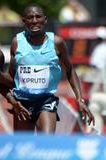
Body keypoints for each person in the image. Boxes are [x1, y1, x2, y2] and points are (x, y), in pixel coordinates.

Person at [6, 4, 95, 134]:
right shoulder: (17, 42)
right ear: (24, 21)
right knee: (22, 147)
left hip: (45, 100)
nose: (35, 21)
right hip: (22, 102)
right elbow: (11, 77)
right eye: (30, 17)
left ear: (45, 20)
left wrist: (80, 99)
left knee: (47, 142)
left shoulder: (56, 42)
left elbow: (70, 70)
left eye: (38, 17)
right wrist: (11, 99)